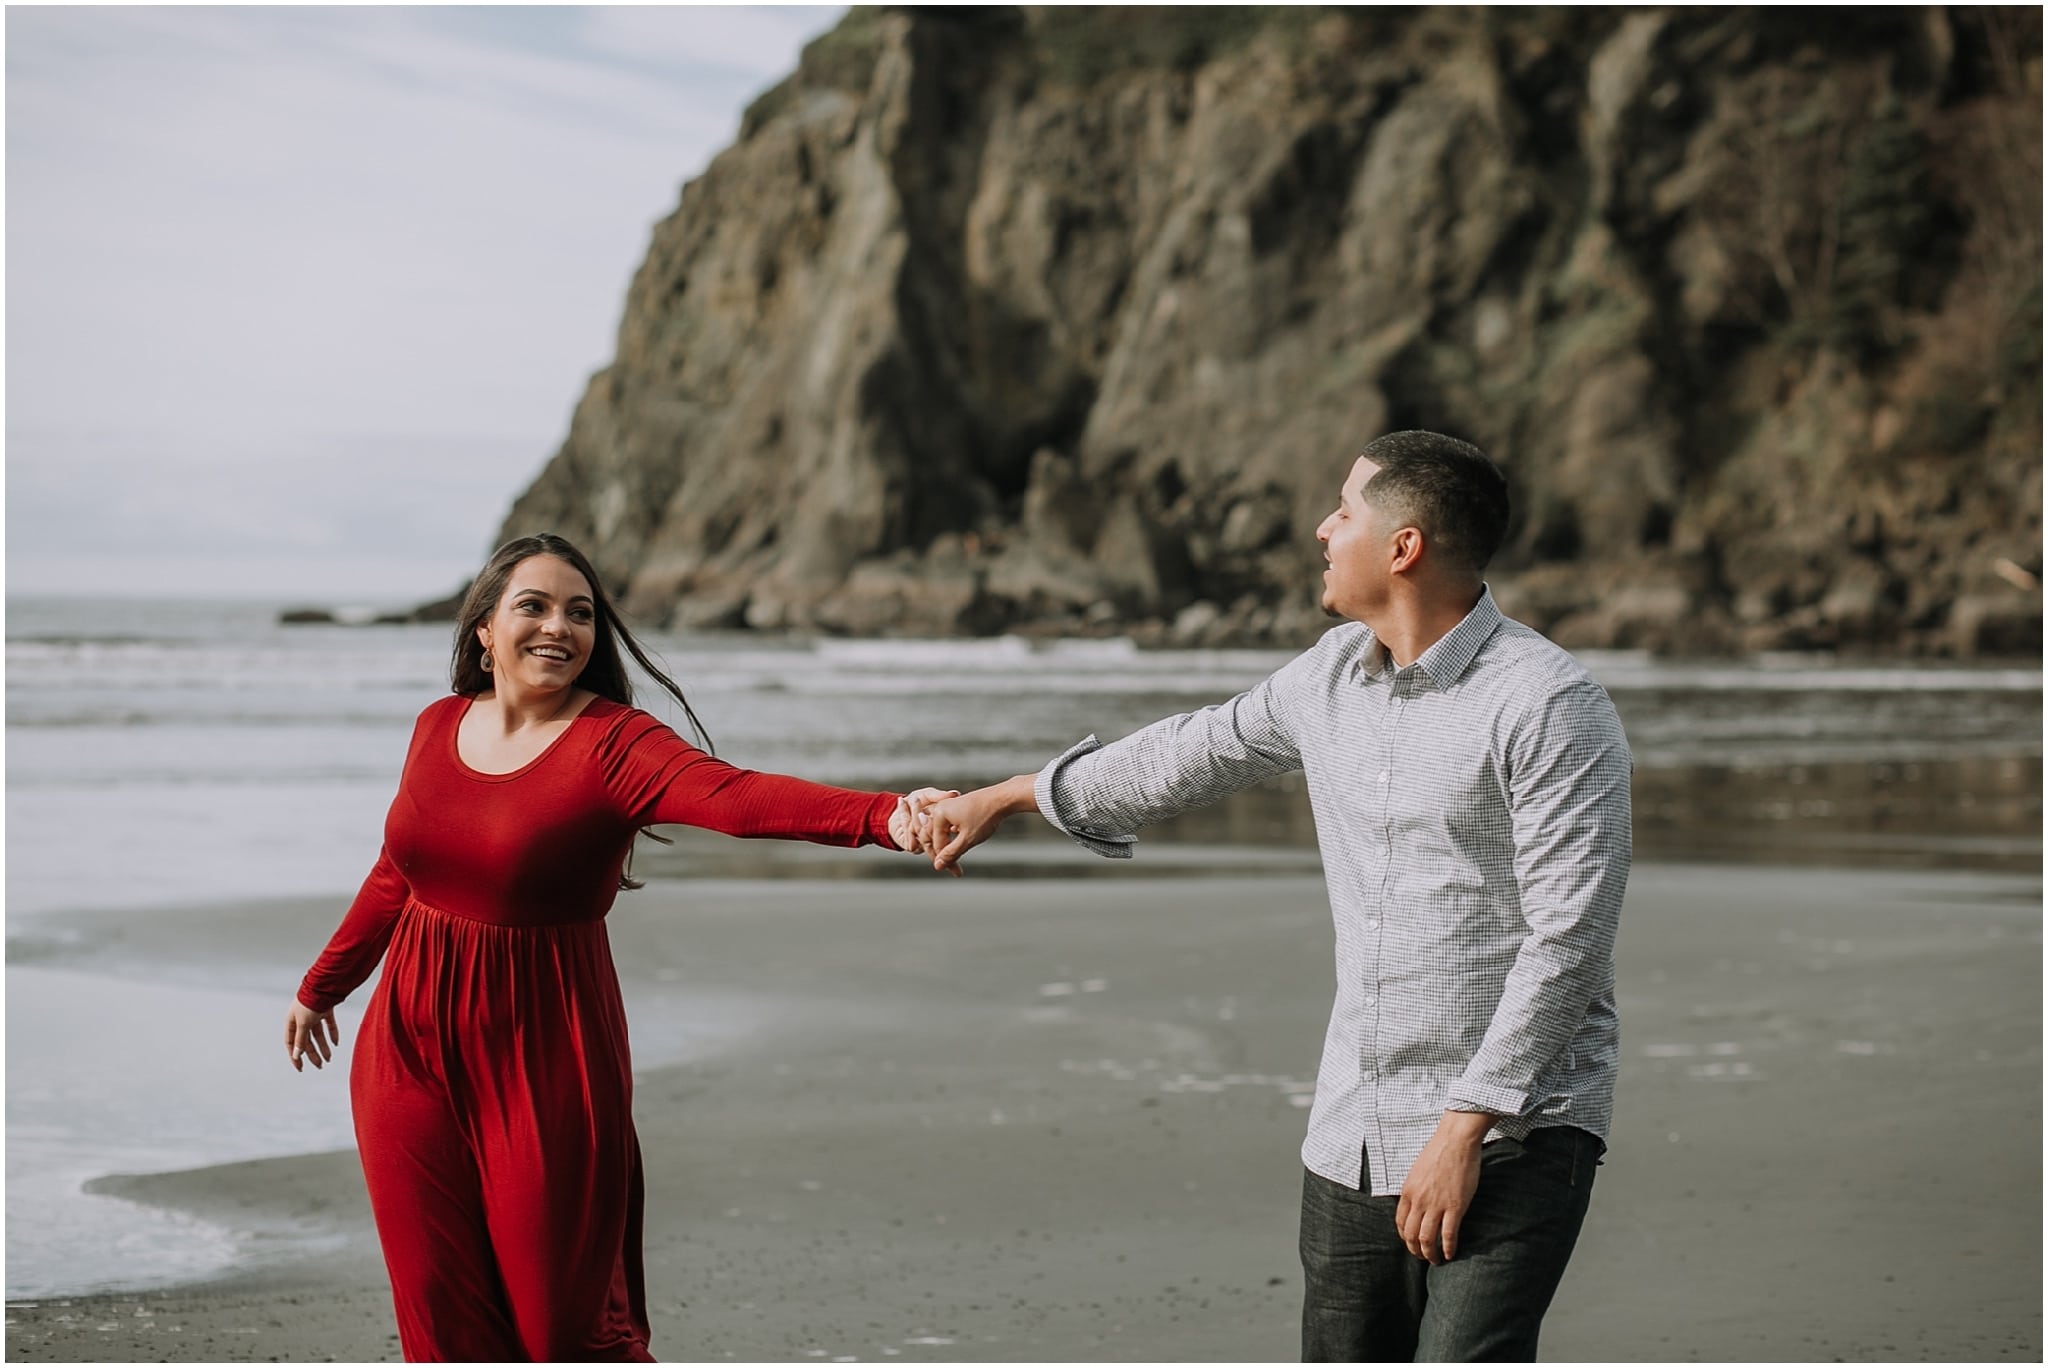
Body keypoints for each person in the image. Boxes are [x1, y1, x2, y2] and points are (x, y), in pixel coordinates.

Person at [912, 431, 1632, 1362]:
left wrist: (1464, 1128)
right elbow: (1182, 755)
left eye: (1344, 510)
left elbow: (1568, 939)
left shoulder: (1547, 705)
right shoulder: (1330, 675)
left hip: (1513, 1130)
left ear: (1403, 547)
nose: (1323, 529)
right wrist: (1008, 796)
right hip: (1354, 1129)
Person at [285, 532, 951, 1362]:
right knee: (439, 1323)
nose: (559, 627)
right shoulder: (435, 727)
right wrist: (324, 985)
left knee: (561, 1331)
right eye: (533, 605)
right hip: (406, 1051)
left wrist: (885, 816)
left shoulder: (614, 746)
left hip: (544, 1056)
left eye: (581, 613)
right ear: (484, 629)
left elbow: (736, 799)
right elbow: (400, 869)